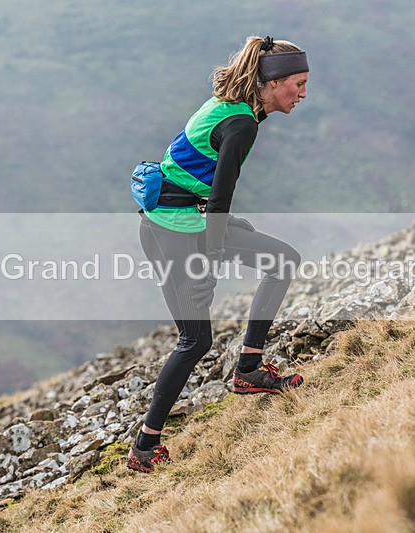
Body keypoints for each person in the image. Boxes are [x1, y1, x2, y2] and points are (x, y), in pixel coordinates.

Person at [127, 36, 309, 473]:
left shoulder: (234, 107)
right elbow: (222, 191)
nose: (303, 93)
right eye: (298, 84)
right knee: (195, 341)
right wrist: (211, 254)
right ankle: (145, 448)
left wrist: (219, 233)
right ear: (273, 81)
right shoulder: (243, 123)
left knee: (282, 260)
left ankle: (248, 368)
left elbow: (204, 183)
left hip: (181, 221)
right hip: (174, 232)